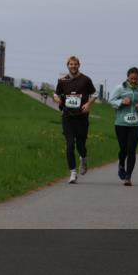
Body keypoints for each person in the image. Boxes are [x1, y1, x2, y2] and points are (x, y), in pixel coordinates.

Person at [52, 56, 98, 184]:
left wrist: (88, 105)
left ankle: (83, 158)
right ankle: (72, 172)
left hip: (82, 117)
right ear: (67, 65)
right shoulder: (62, 81)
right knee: (70, 144)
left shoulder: (85, 80)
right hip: (67, 117)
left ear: (79, 65)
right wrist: (58, 100)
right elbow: (55, 94)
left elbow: (94, 94)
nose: (73, 66)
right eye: (71, 64)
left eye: (75, 64)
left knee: (81, 145)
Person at [108, 67, 138, 186]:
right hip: (121, 123)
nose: (134, 81)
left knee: (131, 150)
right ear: (127, 77)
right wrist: (121, 102)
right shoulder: (120, 88)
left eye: (136, 78)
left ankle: (128, 177)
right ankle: (121, 164)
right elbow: (111, 101)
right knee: (123, 149)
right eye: (131, 78)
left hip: (136, 124)